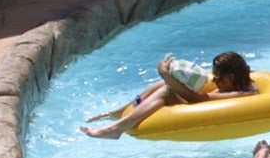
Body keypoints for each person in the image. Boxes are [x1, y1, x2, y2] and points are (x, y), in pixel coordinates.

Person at [81, 51, 256, 139]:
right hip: (199, 106)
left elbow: (197, 99)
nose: (215, 79)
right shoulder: (232, 85)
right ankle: (121, 112)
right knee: (162, 85)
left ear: (231, 76)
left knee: (166, 90)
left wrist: (165, 74)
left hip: (201, 114)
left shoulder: (242, 93)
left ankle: (115, 129)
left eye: (219, 76)